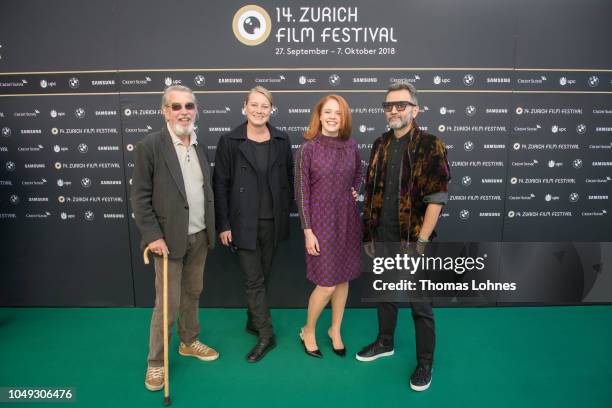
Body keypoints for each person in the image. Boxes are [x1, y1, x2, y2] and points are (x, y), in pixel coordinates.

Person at [357, 82, 451, 391]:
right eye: (388, 106)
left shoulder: (430, 144)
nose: (394, 110)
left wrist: (421, 242)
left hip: (414, 242)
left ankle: (425, 363)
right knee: (385, 294)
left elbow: (436, 198)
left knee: (420, 305)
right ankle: (385, 342)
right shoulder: (379, 144)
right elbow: (371, 193)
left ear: (415, 109)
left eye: (400, 105)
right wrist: (369, 233)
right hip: (382, 237)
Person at [131, 85, 218, 392]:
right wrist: (153, 236)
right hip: (167, 242)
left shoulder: (199, 146)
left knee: (193, 292)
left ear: (196, 110)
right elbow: (140, 197)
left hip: (199, 236)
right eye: (177, 106)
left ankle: (189, 341)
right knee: (167, 305)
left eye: (189, 106)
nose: (184, 111)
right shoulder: (150, 146)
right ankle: (156, 362)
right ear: (165, 111)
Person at [213, 86, 294, 362]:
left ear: (271, 109)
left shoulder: (282, 140)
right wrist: (223, 224)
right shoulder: (230, 141)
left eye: (265, 106)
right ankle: (266, 335)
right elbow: (220, 185)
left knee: (265, 275)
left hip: (273, 221)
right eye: (254, 105)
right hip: (242, 223)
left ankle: (253, 320)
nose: (259, 110)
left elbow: (290, 182)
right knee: (253, 279)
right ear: (245, 106)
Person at [295, 94, 362, 358]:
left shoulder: (352, 145)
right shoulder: (307, 149)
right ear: (319, 116)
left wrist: (355, 190)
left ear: (344, 118)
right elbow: (301, 193)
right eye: (329, 112)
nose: (333, 117)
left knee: (343, 278)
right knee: (327, 284)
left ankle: (335, 329)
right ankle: (308, 330)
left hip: (347, 220)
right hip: (320, 224)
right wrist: (307, 230)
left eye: (339, 113)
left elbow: (358, 173)